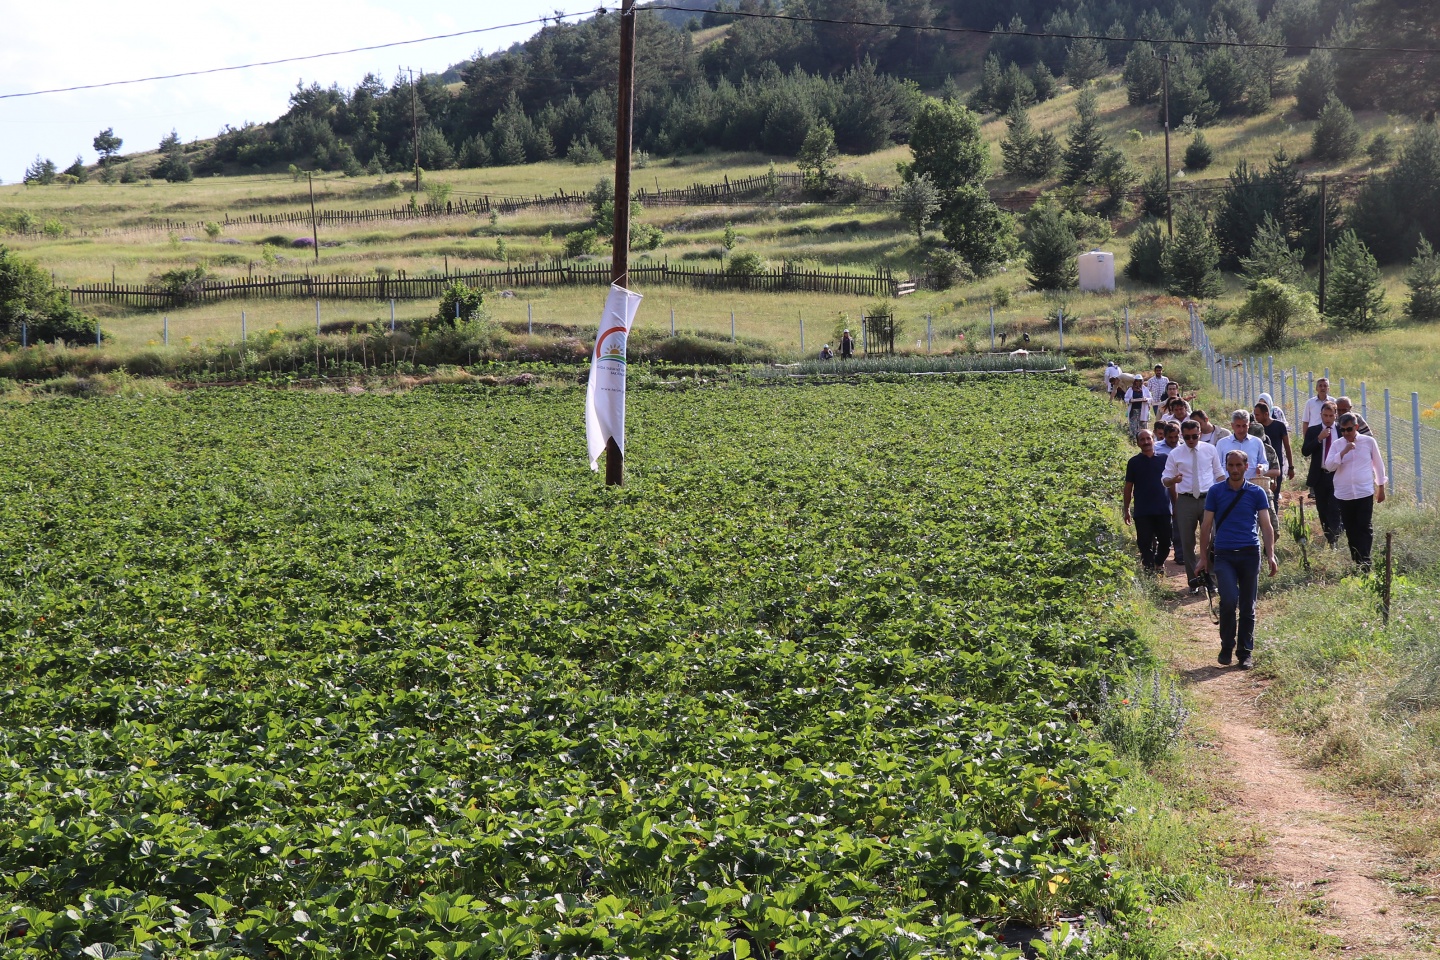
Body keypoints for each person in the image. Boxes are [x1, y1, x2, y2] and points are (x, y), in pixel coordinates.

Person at [1197, 450, 1279, 670]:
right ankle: (1226, 646)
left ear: (1246, 466)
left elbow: (1266, 525)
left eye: (1238, 465)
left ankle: (1245, 653)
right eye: (1230, 465)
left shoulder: (1256, 493)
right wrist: (1203, 557)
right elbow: (1205, 526)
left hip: (1250, 553)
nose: (1234, 469)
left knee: (1247, 606)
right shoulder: (1215, 492)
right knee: (1229, 600)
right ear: (1225, 466)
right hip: (1223, 554)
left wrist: (1270, 554)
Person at [1164, 419, 1227, 586]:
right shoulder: (1175, 454)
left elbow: (1219, 474)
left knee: (1213, 539)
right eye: (1187, 437)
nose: (1191, 440)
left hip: (1208, 499)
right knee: (1187, 541)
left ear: (1200, 434)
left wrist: (1227, 494)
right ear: (1182, 436)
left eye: (1194, 436)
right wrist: (1173, 480)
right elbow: (1165, 479)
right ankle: (1193, 580)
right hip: (1186, 500)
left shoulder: (1210, 449)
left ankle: (1210, 577)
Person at [1324, 412, 1388, 569]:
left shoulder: (1368, 442)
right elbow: (1329, 466)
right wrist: (1343, 451)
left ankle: (1365, 560)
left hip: (1364, 492)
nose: (1346, 433)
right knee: (1351, 528)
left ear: (1356, 427)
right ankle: (1357, 559)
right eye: (1343, 430)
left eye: (1349, 429)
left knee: (1364, 526)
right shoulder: (1338, 445)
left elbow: (1378, 466)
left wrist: (1381, 487)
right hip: (1344, 494)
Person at [1124, 430, 1173, 574]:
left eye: (1148, 438)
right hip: (1142, 510)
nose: (1145, 442)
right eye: (1142, 439)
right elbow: (1128, 487)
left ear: (1153, 439)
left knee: (1166, 542)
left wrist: (1176, 506)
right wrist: (1126, 508)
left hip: (1163, 508)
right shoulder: (1133, 462)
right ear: (1138, 443)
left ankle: (1158, 562)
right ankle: (1150, 568)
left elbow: (1172, 485)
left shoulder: (1165, 459)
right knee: (1144, 543)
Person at [1301, 400, 1344, 546]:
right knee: (1322, 509)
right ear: (1321, 415)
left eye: (1331, 415)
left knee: (1335, 507)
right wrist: (1319, 438)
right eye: (1325, 415)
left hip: (1337, 475)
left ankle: (1335, 538)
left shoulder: (1341, 430)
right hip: (1320, 475)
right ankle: (1330, 537)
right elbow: (1305, 451)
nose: (1328, 419)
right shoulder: (1313, 430)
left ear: (1335, 415)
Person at [1253, 401, 1294, 510]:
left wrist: (1291, 467)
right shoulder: (1256, 429)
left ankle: (1273, 524)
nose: (1255, 417)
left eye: (1257, 414)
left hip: (1276, 466)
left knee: (1274, 497)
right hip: (1260, 467)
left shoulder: (1279, 426)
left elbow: (1287, 446)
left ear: (1266, 414)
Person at [1215, 410, 1269, 488]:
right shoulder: (1222, 443)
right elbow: (1217, 467)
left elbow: (1265, 463)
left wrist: (1262, 468)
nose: (1241, 430)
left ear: (1249, 425)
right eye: (1238, 426)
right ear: (1232, 425)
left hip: (1251, 487)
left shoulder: (1257, 442)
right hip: (1228, 487)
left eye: (1244, 426)